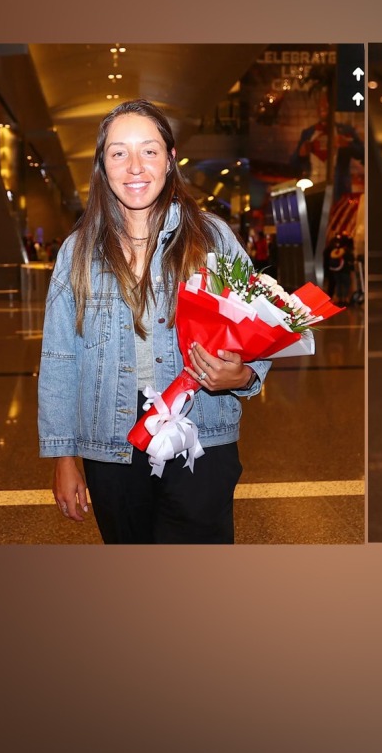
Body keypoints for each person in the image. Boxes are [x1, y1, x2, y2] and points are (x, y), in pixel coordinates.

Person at [38, 99, 271, 544]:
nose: (135, 167)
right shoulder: (78, 251)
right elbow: (60, 357)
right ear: (102, 168)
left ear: (170, 159)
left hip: (202, 432)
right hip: (111, 439)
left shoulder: (212, 238)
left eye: (149, 150)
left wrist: (241, 375)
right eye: (118, 153)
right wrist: (63, 456)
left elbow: (258, 325)